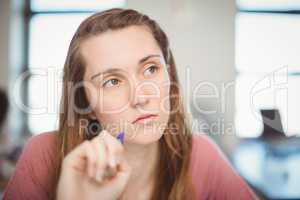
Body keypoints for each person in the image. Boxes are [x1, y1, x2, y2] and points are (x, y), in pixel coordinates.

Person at [3, 8, 257, 200]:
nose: (141, 97)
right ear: (86, 104)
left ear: (170, 75)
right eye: (112, 81)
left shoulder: (200, 155)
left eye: (150, 69)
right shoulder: (45, 154)